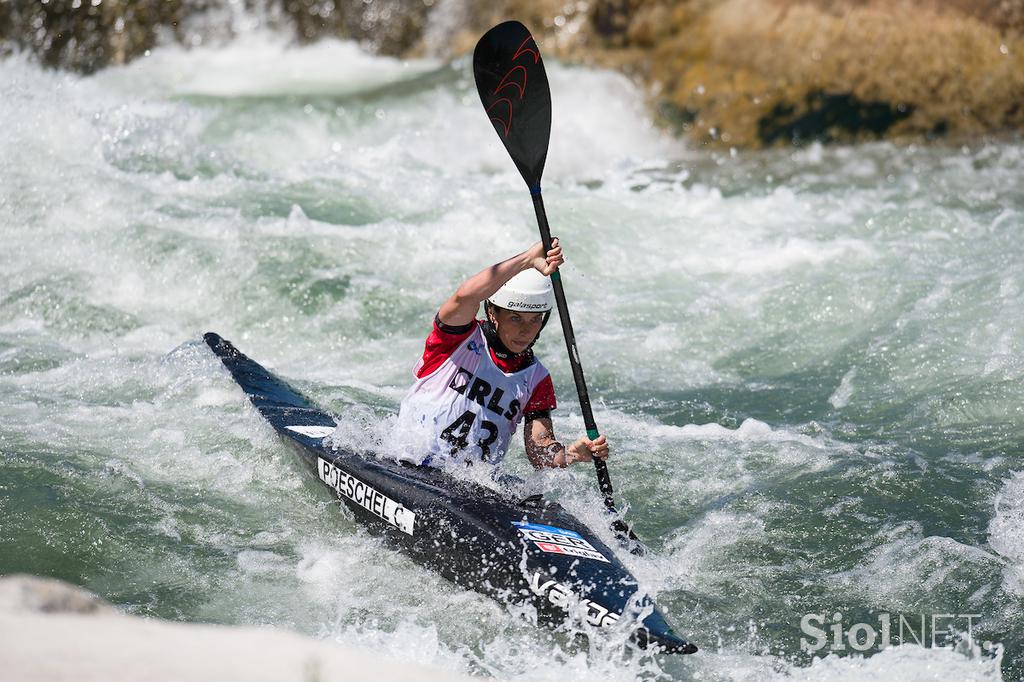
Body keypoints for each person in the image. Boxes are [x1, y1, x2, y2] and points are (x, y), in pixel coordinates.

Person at [397, 238, 610, 469]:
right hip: (408, 463)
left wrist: (570, 454)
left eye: (535, 319)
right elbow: (465, 297)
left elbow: (540, 451)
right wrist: (527, 260)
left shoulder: (536, 378)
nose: (526, 330)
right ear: (492, 313)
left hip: (468, 484)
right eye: (515, 318)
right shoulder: (457, 337)